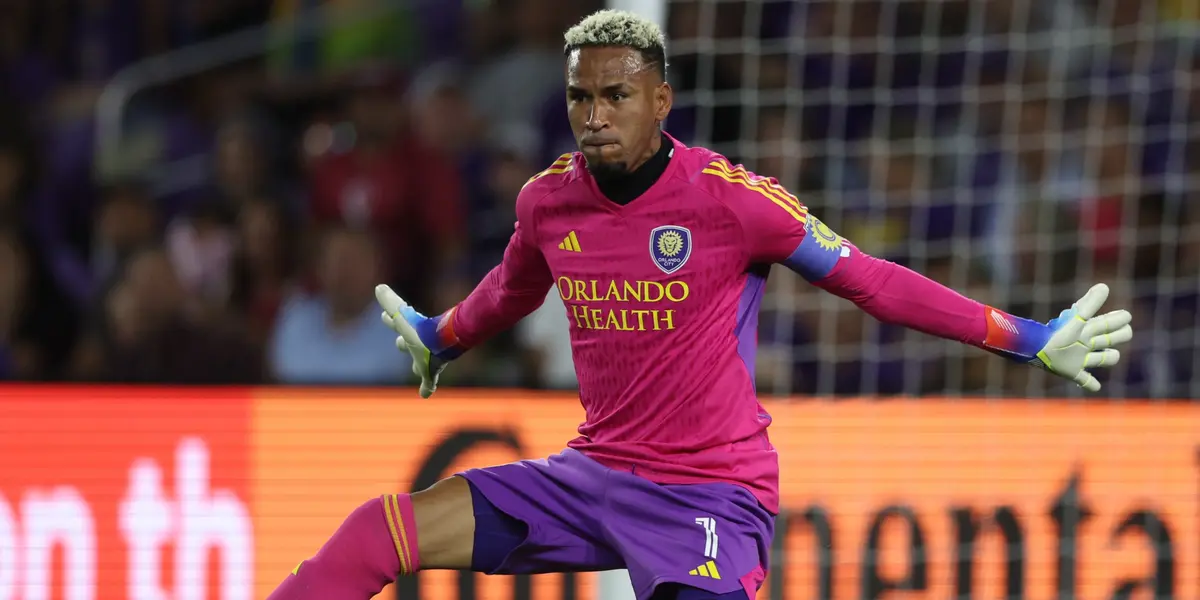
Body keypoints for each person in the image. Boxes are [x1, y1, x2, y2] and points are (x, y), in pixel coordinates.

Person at [267, 10, 1134, 600]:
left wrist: (1025, 337)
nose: (594, 115)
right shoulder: (547, 201)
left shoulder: (730, 200)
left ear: (660, 102)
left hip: (709, 495)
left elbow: (871, 281)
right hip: (590, 476)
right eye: (580, 97)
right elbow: (512, 289)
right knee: (379, 530)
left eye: (615, 96)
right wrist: (443, 336)